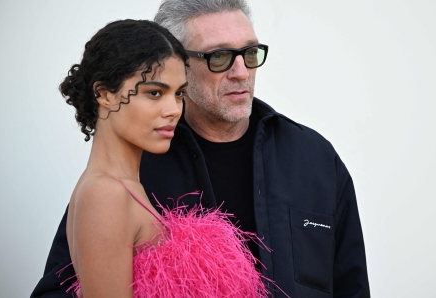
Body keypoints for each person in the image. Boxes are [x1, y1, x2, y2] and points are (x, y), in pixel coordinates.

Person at [32, 0, 370, 297]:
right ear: (177, 63)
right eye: (219, 56)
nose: (242, 72)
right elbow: (59, 288)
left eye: (250, 53)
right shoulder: (131, 172)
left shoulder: (315, 158)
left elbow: (352, 288)